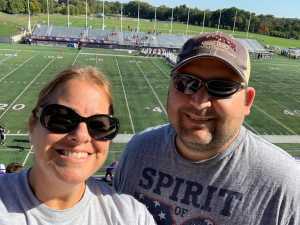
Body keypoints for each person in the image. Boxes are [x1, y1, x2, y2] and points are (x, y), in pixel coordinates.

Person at [114, 32, 300, 225]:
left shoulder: (282, 184)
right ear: (170, 88)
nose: (200, 102)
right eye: (185, 83)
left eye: (221, 87)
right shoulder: (137, 152)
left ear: (247, 101)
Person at [0, 66, 156, 225]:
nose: (81, 135)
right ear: (32, 126)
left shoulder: (133, 217)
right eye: (61, 119)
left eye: (99, 125)